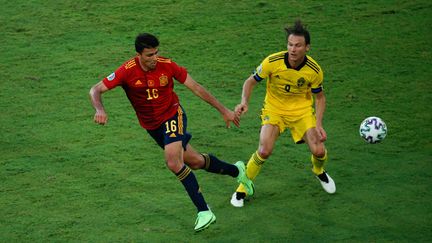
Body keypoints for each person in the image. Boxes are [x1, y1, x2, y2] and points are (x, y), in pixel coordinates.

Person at [89, 33, 254, 231]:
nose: (154, 58)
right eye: (149, 55)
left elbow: (196, 88)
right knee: (195, 161)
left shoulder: (167, 65)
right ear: (138, 54)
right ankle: (238, 171)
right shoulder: (127, 71)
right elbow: (95, 90)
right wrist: (99, 109)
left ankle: (204, 211)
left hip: (173, 115)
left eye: (156, 53)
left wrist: (224, 110)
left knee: (173, 161)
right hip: (153, 127)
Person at [230, 20, 336, 208]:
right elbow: (250, 82)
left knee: (319, 151)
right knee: (264, 150)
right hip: (274, 110)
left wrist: (318, 124)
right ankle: (242, 188)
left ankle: (319, 171)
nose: (293, 49)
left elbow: (320, 98)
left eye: (298, 45)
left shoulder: (314, 70)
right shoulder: (272, 62)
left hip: (301, 112)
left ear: (307, 47)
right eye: (290, 44)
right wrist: (244, 102)